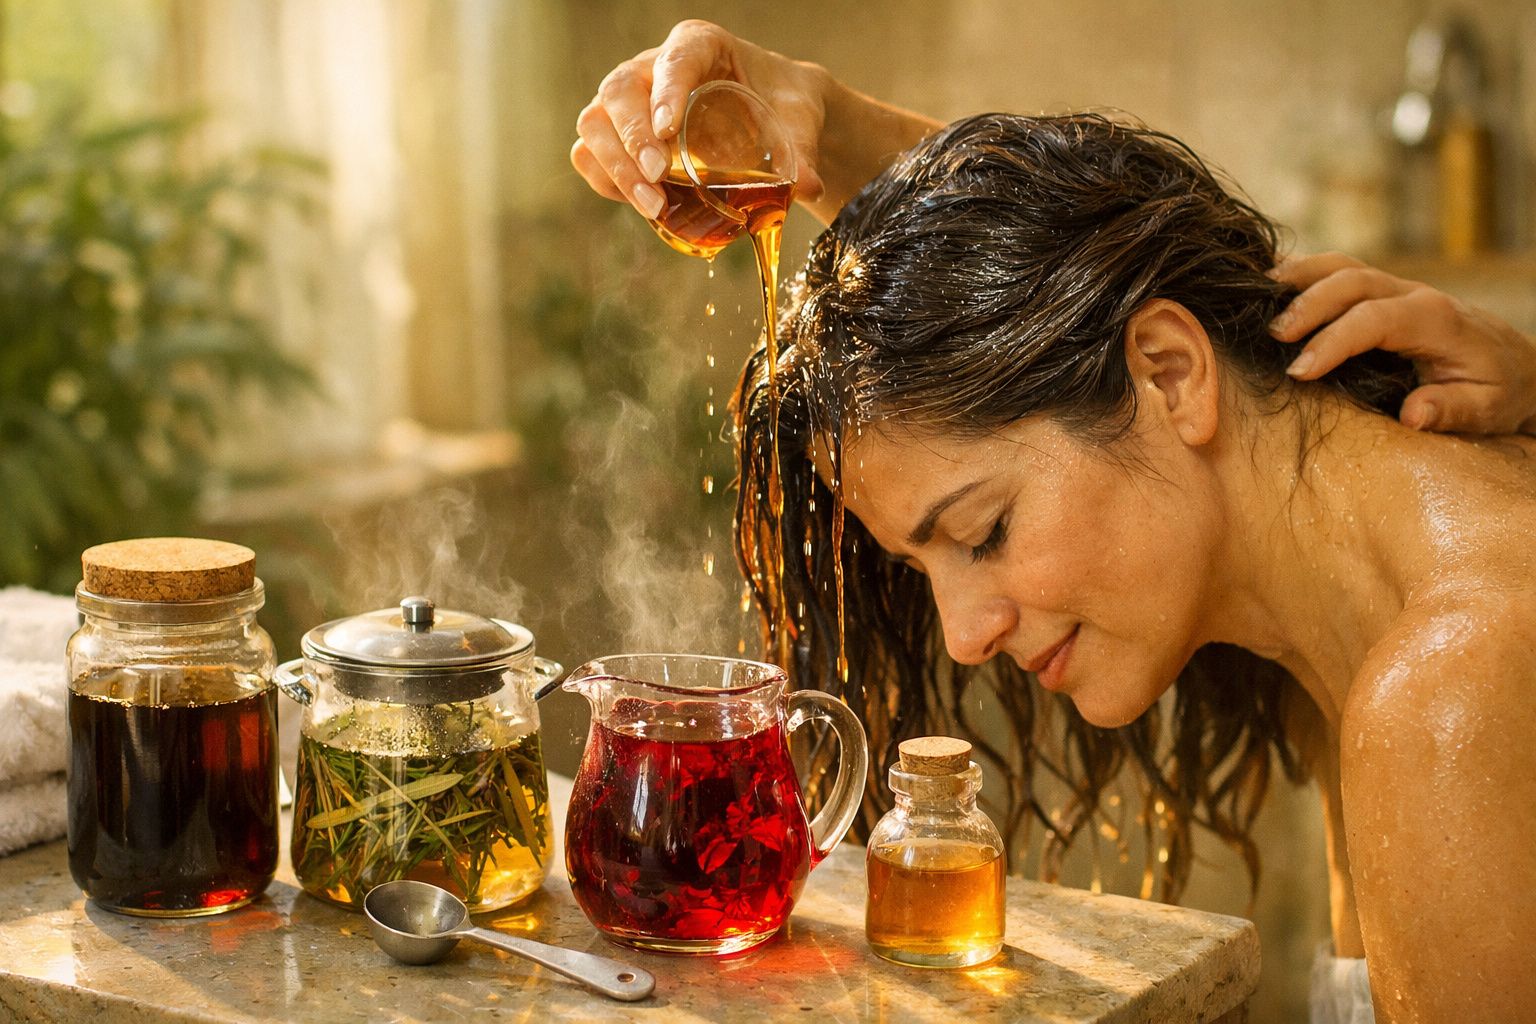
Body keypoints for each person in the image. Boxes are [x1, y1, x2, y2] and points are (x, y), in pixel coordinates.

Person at [575, 24, 1536, 1024]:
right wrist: (827, 120)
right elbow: (1073, 268)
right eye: (921, 565)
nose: (964, 635)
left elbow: (1078, 287)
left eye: (982, 532)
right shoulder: (1353, 600)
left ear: (1172, 374)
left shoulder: (1449, 693)